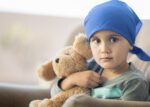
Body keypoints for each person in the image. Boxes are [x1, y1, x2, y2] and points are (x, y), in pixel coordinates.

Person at [51, 0, 150, 107]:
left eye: (113, 39)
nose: (104, 49)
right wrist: (71, 80)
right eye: (96, 41)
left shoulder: (133, 83)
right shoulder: (91, 66)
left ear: (130, 43)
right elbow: (55, 95)